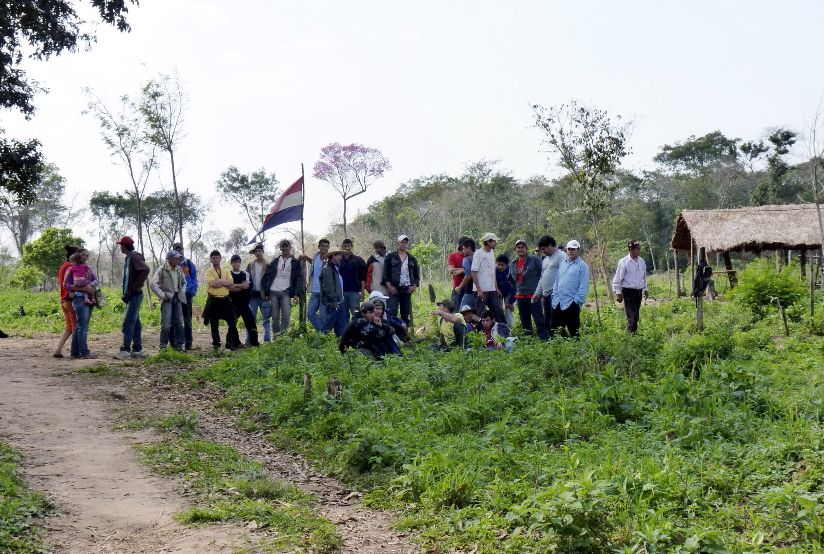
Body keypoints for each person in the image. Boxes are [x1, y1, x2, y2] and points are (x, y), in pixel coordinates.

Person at [115, 236, 149, 360]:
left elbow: (145, 269)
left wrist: (135, 287)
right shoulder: (128, 258)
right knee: (135, 323)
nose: (120, 247)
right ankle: (137, 350)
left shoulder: (134, 256)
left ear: (124, 246)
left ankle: (125, 350)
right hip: (131, 296)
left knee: (128, 322)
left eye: (121, 245)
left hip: (135, 295)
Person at [550, 240, 589, 338]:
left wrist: (576, 301)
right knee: (555, 329)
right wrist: (554, 296)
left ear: (578, 250)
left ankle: (575, 347)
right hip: (558, 301)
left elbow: (583, 286)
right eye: (569, 249)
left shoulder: (582, 266)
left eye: (573, 249)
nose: (570, 251)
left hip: (572, 302)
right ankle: (561, 346)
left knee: (573, 330)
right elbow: (557, 281)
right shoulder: (563, 263)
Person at [262, 239, 302, 335]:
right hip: (273, 291)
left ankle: (283, 336)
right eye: (282, 247)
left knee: (286, 316)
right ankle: (276, 336)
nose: (284, 248)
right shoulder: (275, 261)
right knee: (275, 317)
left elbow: (298, 278)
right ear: (280, 248)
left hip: (286, 292)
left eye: (286, 246)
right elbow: (268, 276)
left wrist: (296, 293)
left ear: (290, 247)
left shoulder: (295, 262)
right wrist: (266, 292)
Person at [63, 249, 98, 359]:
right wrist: (83, 289)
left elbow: (96, 280)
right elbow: (66, 284)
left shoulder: (88, 268)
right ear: (77, 255)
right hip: (79, 299)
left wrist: (91, 286)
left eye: (87, 255)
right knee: (83, 327)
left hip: (90, 299)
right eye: (83, 255)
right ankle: (84, 352)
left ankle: (75, 353)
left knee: (80, 326)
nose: (84, 257)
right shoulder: (71, 269)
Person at [202, 250, 240, 350]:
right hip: (213, 300)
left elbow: (231, 283)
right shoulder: (209, 271)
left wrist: (219, 281)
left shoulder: (226, 271)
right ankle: (216, 344)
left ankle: (233, 343)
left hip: (225, 299)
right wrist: (224, 283)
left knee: (232, 321)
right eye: (213, 258)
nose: (215, 259)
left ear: (220, 258)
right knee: (214, 323)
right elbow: (212, 284)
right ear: (211, 259)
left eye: (217, 257)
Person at [511, 240, 548, 340]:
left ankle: (544, 340)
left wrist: (540, 291)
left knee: (539, 319)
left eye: (522, 247)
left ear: (526, 249)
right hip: (520, 296)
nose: (520, 249)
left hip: (533, 295)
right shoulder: (513, 263)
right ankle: (528, 340)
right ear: (515, 250)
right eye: (518, 247)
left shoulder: (534, 259)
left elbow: (543, 273)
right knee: (525, 321)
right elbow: (511, 279)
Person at [150, 250, 187, 350]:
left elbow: (184, 283)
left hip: (177, 298)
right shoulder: (162, 269)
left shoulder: (179, 269)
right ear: (169, 259)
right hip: (167, 299)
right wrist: (162, 295)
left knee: (179, 323)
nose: (178, 260)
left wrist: (182, 292)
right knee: (166, 324)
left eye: (178, 258)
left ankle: (179, 346)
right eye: (176, 258)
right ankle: (163, 346)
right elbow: (153, 284)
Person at [382, 235, 420, 325]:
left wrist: (414, 286)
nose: (404, 244)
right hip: (394, 289)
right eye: (402, 242)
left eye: (405, 242)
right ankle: (392, 332)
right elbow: (385, 274)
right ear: (397, 243)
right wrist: (389, 287)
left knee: (405, 313)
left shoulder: (412, 258)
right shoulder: (390, 257)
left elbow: (417, 275)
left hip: (407, 289)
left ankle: (404, 332)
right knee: (391, 313)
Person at [612, 240, 648, 333]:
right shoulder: (623, 262)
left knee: (636, 315)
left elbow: (643, 277)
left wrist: (645, 289)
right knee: (631, 316)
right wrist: (618, 293)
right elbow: (617, 278)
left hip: (638, 291)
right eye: (636, 249)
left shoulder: (641, 261)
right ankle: (629, 336)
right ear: (631, 250)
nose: (638, 251)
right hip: (628, 292)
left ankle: (633, 335)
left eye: (639, 249)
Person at [471, 232, 505, 324]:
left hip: (492, 289)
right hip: (482, 290)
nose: (495, 243)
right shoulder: (478, 253)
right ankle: (479, 331)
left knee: (498, 312)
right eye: (494, 241)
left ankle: (503, 330)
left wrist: (496, 287)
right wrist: (479, 290)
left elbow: (492, 272)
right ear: (489, 242)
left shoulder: (491, 252)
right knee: (480, 313)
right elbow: (474, 272)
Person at [532, 235, 563, 337]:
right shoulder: (545, 260)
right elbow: (542, 278)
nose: (542, 251)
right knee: (548, 320)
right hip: (546, 295)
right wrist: (537, 293)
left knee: (556, 321)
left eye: (543, 249)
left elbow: (565, 275)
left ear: (550, 245)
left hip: (557, 294)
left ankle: (561, 340)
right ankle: (552, 341)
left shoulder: (561, 256)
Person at [52, 244, 79, 358]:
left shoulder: (63, 266)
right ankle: (76, 351)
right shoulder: (71, 267)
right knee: (76, 327)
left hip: (63, 300)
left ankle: (58, 350)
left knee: (69, 327)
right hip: (69, 299)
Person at [172, 242, 198, 350]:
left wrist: (193, 290)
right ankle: (176, 342)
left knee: (187, 319)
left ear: (183, 250)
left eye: (180, 249)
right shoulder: (171, 263)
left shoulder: (188, 263)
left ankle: (188, 342)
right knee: (175, 320)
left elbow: (194, 277)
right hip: (174, 295)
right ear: (173, 250)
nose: (179, 251)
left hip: (187, 295)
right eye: (176, 249)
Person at [229, 254, 259, 346]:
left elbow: (247, 287)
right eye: (234, 262)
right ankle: (232, 343)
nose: (236, 264)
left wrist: (235, 286)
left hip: (244, 303)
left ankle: (254, 343)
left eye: (238, 262)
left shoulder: (245, 274)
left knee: (251, 322)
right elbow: (229, 288)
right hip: (233, 303)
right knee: (232, 323)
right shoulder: (228, 275)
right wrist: (241, 286)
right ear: (231, 263)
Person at [245, 243, 271, 343]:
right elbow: (246, 279)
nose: (257, 253)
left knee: (266, 319)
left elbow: (270, 281)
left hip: (264, 296)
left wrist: (268, 294)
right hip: (252, 296)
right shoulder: (250, 265)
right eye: (256, 251)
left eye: (259, 251)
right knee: (251, 319)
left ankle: (267, 340)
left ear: (263, 252)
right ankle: (249, 341)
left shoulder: (268, 265)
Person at [303, 238, 330, 332]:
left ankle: (324, 335)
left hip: (325, 292)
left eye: (326, 246)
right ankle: (324, 331)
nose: (324, 248)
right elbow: (314, 264)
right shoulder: (316, 256)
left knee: (323, 316)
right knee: (310, 314)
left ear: (328, 247)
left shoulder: (330, 258)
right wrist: (306, 258)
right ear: (319, 247)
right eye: (322, 246)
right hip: (315, 290)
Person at [320, 249, 348, 337]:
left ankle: (339, 342)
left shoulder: (336, 268)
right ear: (333, 256)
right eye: (338, 255)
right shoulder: (327, 269)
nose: (340, 257)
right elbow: (329, 287)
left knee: (340, 325)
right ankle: (321, 341)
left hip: (339, 300)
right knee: (328, 324)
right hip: (334, 302)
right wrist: (333, 301)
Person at [338, 238, 367, 320]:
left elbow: (363, 278)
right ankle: (345, 328)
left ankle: (356, 328)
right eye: (345, 246)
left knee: (356, 314)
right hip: (341, 292)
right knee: (343, 315)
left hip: (354, 291)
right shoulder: (338, 260)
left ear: (351, 247)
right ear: (342, 247)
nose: (346, 248)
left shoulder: (359, 260)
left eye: (348, 246)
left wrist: (362, 292)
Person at [448, 237, 470, 309]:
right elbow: (451, 270)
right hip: (457, 287)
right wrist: (464, 270)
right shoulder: (453, 255)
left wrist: (463, 270)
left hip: (469, 288)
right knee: (456, 310)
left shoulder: (470, 256)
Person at [455, 239, 477, 311]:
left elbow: (468, 275)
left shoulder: (467, 260)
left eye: (464, 249)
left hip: (470, 291)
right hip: (483, 291)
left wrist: (459, 287)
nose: (463, 251)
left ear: (469, 248)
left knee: (462, 313)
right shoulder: (480, 257)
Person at [495, 254, 516, 327]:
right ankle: (500, 326)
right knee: (499, 309)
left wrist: (511, 301)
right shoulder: (495, 271)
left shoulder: (511, 270)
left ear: (507, 264)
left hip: (509, 292)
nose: (500, 267)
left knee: (508, 308)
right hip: (498, 293)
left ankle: (511, 326)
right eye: (498, 265)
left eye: (502, 265)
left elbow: (515, 286)